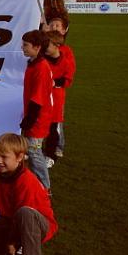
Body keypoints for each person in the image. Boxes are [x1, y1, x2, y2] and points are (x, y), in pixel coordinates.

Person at [20, 30, 54, 190]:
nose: (22, 48)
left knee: (34, 153)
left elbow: (38, 98)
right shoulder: (33, 63)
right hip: (33, 116)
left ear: (37, 47)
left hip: (38, 119)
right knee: (31, 151)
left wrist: (30, 120)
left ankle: (45, 188)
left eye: (26, 45)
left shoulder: (41, 68)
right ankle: (34, 183)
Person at [44, 29, 75, 160]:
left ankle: (51, 156)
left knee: (53, 128)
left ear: (57, 45)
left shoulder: (65, 62)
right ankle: (34, 149)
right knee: (38, 125)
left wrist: (53, 82)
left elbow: (67, 80)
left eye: (47, 45)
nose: (44, 48)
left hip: (56, 99)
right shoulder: (42, 60)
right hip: (42, 98)